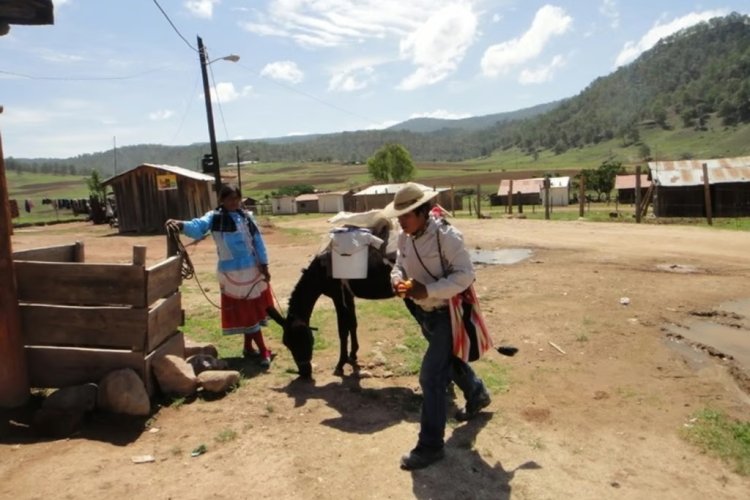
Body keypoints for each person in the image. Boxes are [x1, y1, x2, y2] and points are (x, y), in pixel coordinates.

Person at [385, 182, 491, 470]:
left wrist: (427, 290)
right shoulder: (405, 236)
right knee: (448, 358)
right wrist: (397, 280)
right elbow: (399, 265)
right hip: (425, 313)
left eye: (405, 215)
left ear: (421, 212)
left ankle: (430, 446)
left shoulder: (447, 236)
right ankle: (478, 393)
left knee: (431, 377)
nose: (401, 221)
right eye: (399, 216)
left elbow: (465, 276)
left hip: (448, 313)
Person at [165, 184, 274, 368]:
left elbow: (258, 242)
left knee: (252, 310)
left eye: (236, 198)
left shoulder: (246, 217)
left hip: (252, 269)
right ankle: (262, 349)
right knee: (246, 310)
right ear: (222, 200)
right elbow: (197, 227)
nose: (234, 202)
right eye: (230, 198)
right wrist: (181, 225)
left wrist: (264, 265)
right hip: (231, 272)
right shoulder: (214, 218)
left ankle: (250, 347)